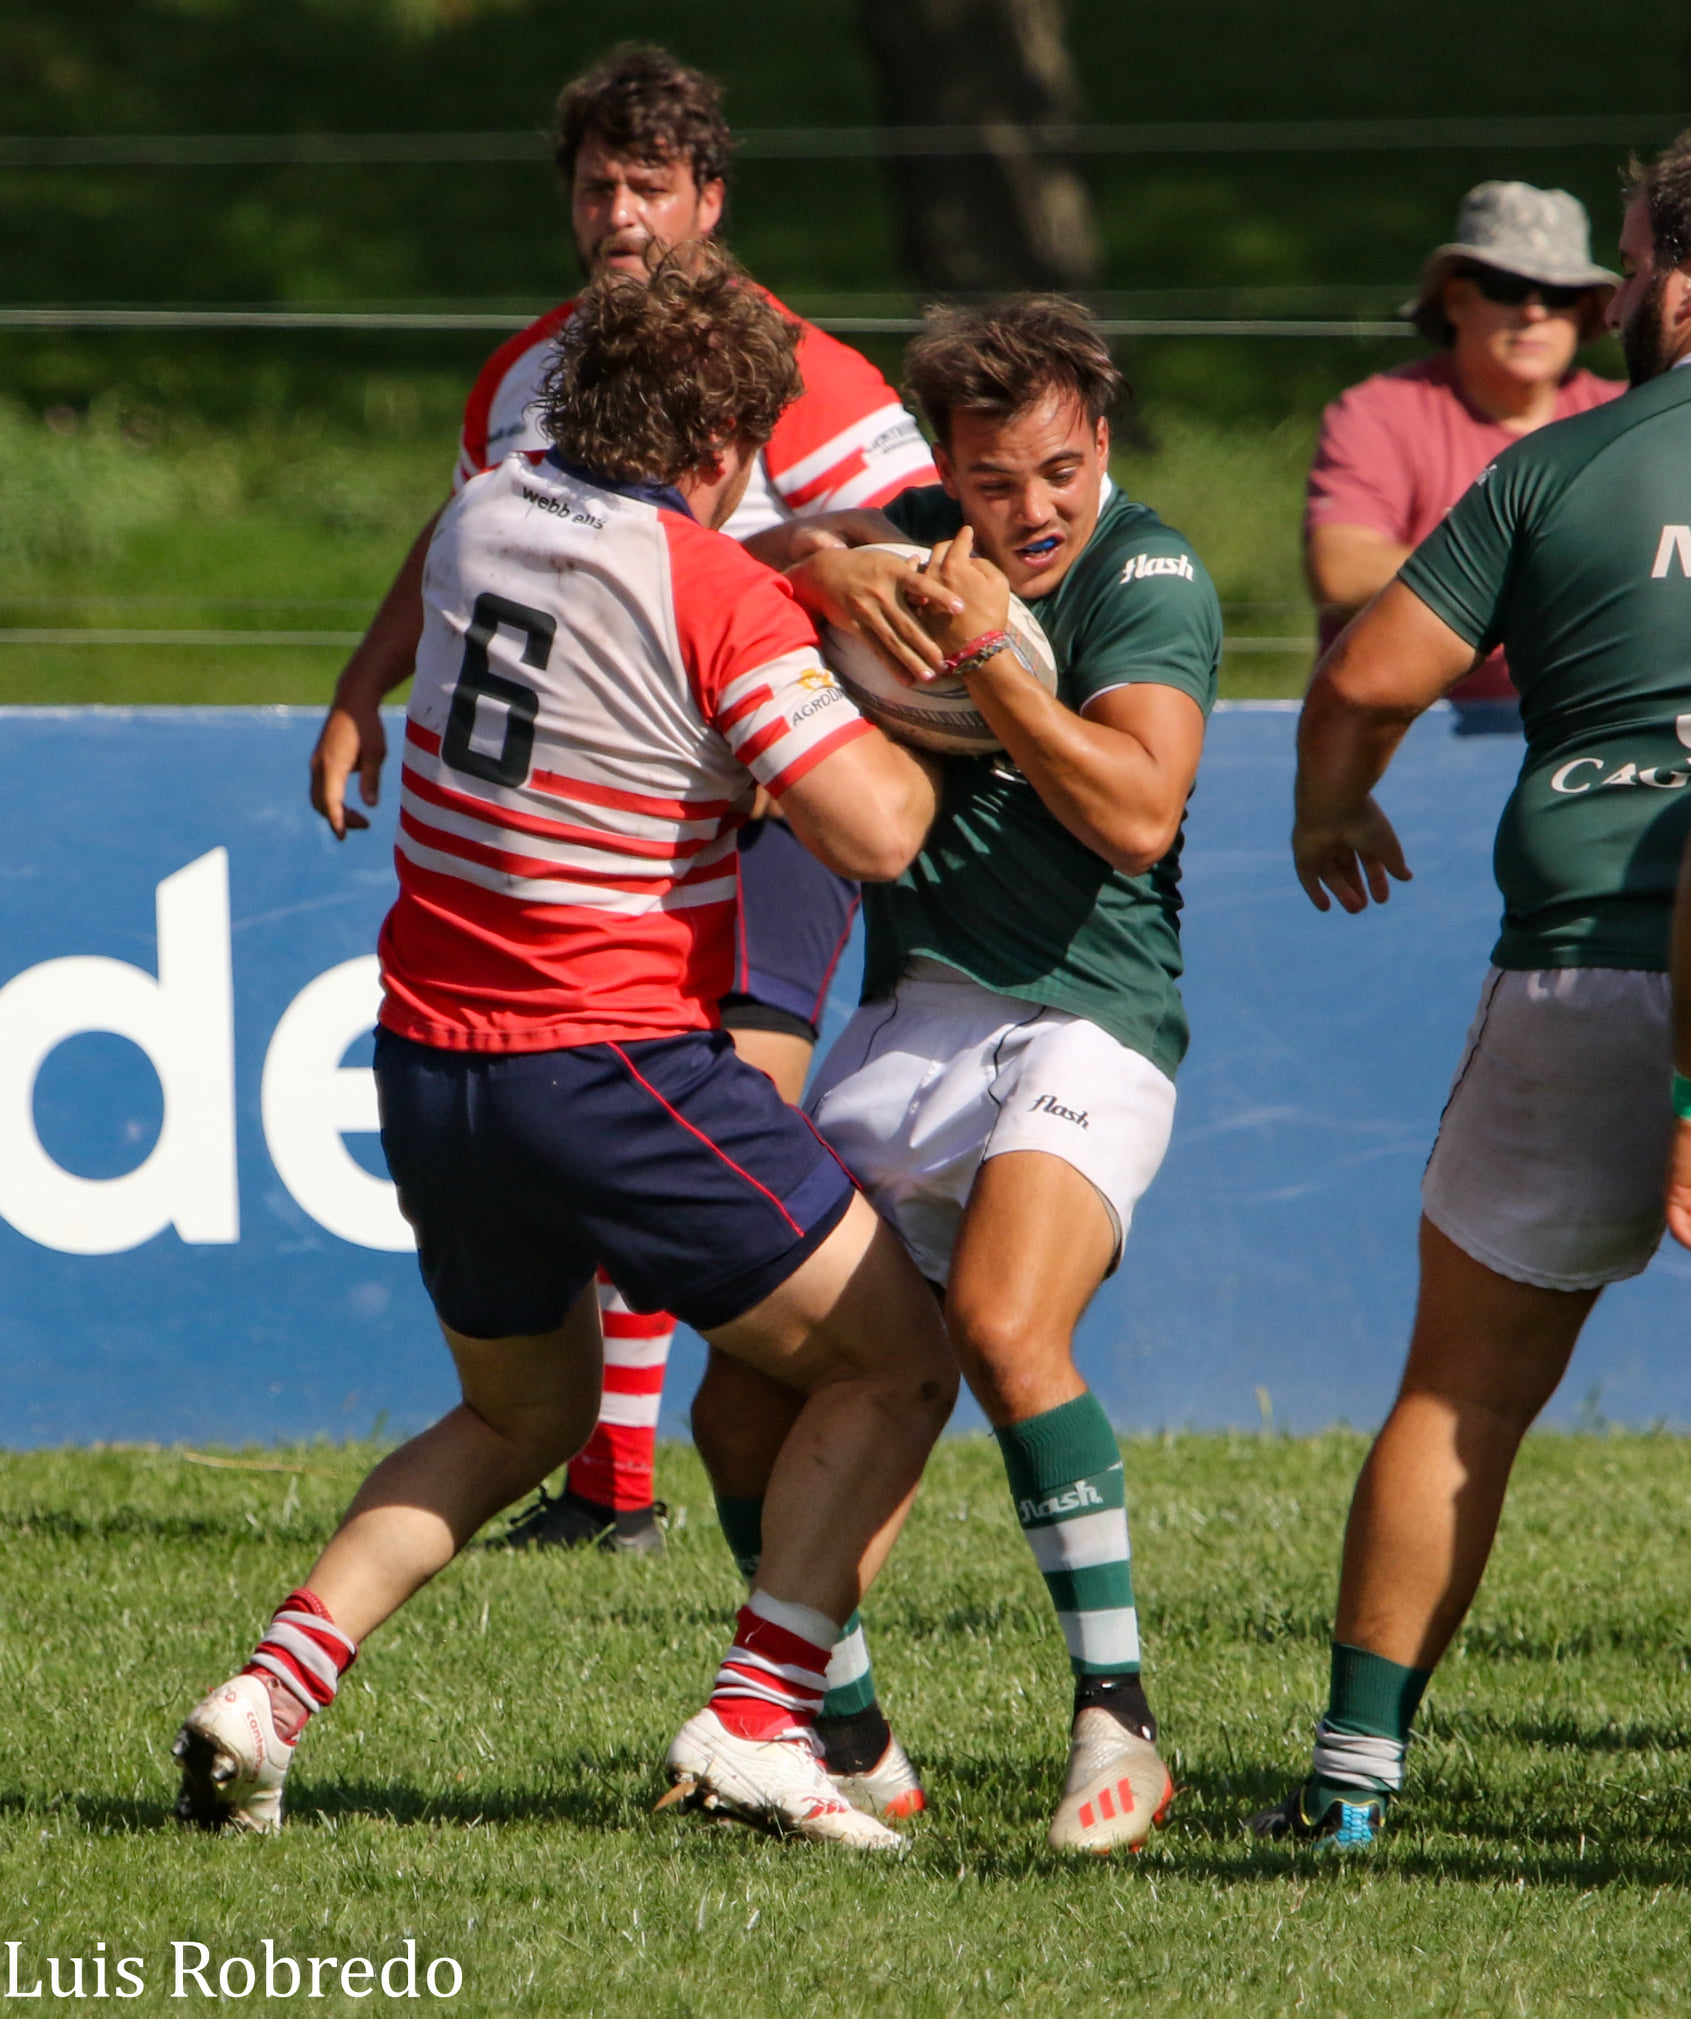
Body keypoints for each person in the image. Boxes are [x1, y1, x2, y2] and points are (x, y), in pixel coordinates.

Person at [173, 247, 957, 1850]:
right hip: (606, 1063)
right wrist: (896, 700)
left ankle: (265, 1694)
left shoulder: (482, 516)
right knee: (898, 1356)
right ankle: (757, 1715)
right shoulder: (715, 589)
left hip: (429, 1062)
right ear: (726, 442)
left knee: (511, 1417)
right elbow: (874, 833)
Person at [309, 43, 938, 1561]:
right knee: (632, 1107)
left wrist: (822, 566)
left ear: (709, 196)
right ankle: (626, 1481)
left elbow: (924, 533)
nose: (619, 213)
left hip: (782, 794)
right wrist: (359, 684)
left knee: (724, 1104)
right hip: (605, 805)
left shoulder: (810, 373)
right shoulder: (528, 370)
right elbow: (466, 527)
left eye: (649, 183)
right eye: (595, 183)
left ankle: (710, 1465)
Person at [687, 296, 1222, 1853]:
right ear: (949, 466)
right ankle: (831, 1722)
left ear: (1101, 442)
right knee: (740, 1408)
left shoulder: (1150, 572)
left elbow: (1133, 810)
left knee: (997, 1319)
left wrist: (987, 658)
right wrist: (833, 562)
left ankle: (1115, 1718)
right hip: (908, 1014)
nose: (1030, 508)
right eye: (995, 482)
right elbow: (743, 556)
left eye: (1058, 469)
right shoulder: (921, 530)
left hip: (1086, 1015)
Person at [1256, 136, 1691, 1850]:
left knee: (1462, 1391)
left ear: (1661, 276)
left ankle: (1354, 1782)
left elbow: (1366, 668)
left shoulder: (1560, 465)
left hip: (1583, 951)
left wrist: (1325, 797)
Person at [1306, 181, 1621, 730]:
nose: (1533, 312)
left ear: (1585, 312)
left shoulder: (1625, 417)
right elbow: (1342, 569)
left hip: (1585, 726)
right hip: (1398, 732)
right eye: (1507, 286)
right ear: (1455, 299)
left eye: (1560, 294)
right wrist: (1539, 582)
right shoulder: (1379, 412)